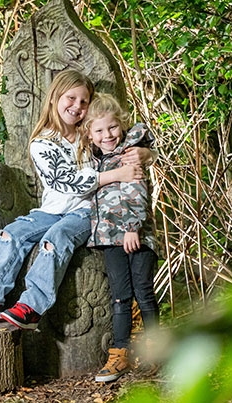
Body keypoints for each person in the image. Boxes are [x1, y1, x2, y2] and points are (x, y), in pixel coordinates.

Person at [0, 70, 151, 330]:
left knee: (57, 237)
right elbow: (65, 181)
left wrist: (144, 153)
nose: (77, 106)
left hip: (87, 211)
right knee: (11, 234)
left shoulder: (91, 134)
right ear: (54, 98)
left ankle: (31, 306)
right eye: (71, 98)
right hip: (50, 210)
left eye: (84, 101)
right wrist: (116, 174)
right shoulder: (42, 143)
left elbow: (123, 144)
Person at [82, 93, 159, 382]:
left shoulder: (130, 153)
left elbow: (137, 191)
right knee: (119, 297)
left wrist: (132, 227)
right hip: (109, 238)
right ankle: (120, 353)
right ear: (90, 133)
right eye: (99, 130)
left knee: (144, 292)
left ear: (122, 125)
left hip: (136, 235)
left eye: (112, 128)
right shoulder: (94, 159)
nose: (107, 135)